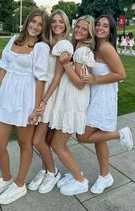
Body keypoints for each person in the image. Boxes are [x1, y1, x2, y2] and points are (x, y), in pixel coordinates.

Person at [0, 9, 50, 205]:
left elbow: (40, 79)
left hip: (26, 99)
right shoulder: (13, 39)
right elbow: (4, 66)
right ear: (27, 21)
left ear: (43, 28)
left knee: (24, 143)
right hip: (7, 96)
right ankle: (6, 178)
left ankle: (19, 184)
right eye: (33, 22)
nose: (35, 27)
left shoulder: (41, 48)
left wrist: (36, 108)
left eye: (40, 24)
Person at [77, 15, 133, 195]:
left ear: (110, 31)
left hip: (103, 98)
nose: (100, 28)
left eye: (105, 26)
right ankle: (105, 176)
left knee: (82, 136)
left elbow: (121, 74)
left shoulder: (106, 47)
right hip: (95, 95)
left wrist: (95, 79)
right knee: (98, 139)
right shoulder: (95, 46)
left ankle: (120, 134)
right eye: (98, 24)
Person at [50, 15, 95, 196]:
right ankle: (75, 173)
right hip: (70, 99)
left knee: (57, 144)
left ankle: (80, 180)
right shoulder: (77, 47)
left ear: (89, 33)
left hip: (75, 102)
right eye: (78, 27)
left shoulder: (83, 51)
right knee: (59, 143)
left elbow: (79, 83)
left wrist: (66, 64)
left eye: (84, 29)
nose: (78, 30)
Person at [27, 10, 71, 194]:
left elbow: (58, 77)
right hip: (41, 91)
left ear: (66, 24)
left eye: (61, 21)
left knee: (37, 140)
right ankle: (45, 169)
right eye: (54, 21)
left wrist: (44, 100)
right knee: (43, 139)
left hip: (52, 95)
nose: (57, 24)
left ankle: (53, 172)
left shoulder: (64, 45)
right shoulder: (46, 42)